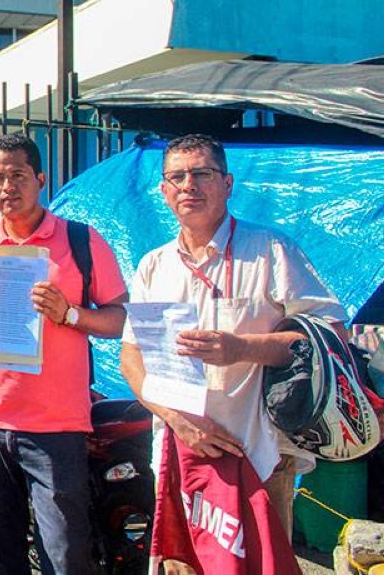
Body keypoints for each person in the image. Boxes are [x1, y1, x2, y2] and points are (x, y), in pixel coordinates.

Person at [118, 134, 348, 572]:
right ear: (164, 191)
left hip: (260, 455)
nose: (189, 185)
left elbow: (330, 334)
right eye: (177, 177)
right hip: (180, 453)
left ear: (227, 184)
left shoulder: (269, 250)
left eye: (202, 173)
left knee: (261, 565)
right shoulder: (154, 265)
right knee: (184, 566)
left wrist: (242, 348)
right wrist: (179, 421)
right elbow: (132, 359)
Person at [0, 134, 129, 574]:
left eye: (18, 175)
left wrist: (70, 314)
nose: (8, 186)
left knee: (64, 556)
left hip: (55, 427)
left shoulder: (80, 241)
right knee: (1, 556)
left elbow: (120, 319)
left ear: (41, 179)